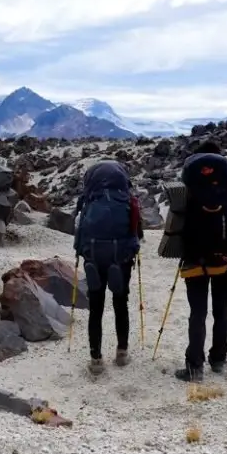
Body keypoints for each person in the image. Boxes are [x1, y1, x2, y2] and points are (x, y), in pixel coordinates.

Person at [175, 140, 227, 382]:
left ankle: (194, 367)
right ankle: (219, 359)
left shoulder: (189, 182)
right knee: (222, 311)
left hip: (195, 258)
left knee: (197, 312)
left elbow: (177, 220)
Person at [73, 159, 144, 375]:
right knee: (120, 303)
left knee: (96, 308)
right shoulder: (129, 200)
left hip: (93, 258)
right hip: (120, 260)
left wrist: (81, 252)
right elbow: (137, 233)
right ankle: (121, 353)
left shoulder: (87, 200)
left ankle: (96, 359)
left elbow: (78, 230)